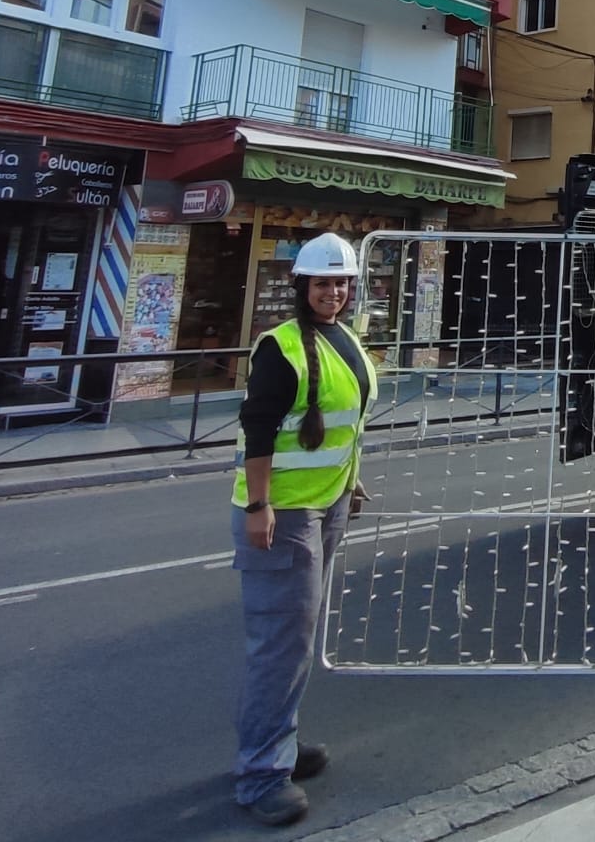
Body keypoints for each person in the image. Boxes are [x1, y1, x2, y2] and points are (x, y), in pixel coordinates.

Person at [230, 233, 378, 828]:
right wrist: (259, 505)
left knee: (299, 636)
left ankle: (279, 749)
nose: (334, 292)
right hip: (284, 513)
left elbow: (346, 426)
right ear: (301, 286)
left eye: (341, 282)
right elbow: (259, 431)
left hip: (327, 501)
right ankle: (260, 774)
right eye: (323, 283)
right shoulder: (280, 348)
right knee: (280, 644)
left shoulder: (344, 336)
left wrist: (352, 482)